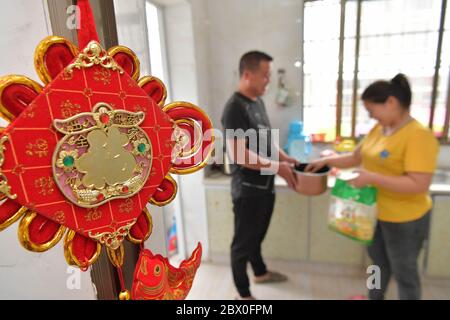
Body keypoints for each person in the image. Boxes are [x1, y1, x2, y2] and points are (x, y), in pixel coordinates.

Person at [306, 74, 440, 300]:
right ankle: (374, 297)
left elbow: (419, 184)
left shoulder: (418, 136)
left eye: (371, 110)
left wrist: (372, 178)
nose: (370, 116)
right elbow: (355, 157)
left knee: (404, 272)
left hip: (405, 220)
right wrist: (326, 161)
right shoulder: (379, 129)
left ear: (391, 102)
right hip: (373, 213)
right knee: (377, 264)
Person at [221, 51, 298, 300]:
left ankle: (260, 272)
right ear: (247, 74)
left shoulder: (257, 102)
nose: (268, 81)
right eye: (265, 76)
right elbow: (240, 155)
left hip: (265, 186)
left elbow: (266, 141)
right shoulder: (234, 108)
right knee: (242, 244)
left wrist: (284, 158)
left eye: (269, 75)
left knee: (257, 236)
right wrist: (278, 168)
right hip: (247, 190)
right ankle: (243, 295)